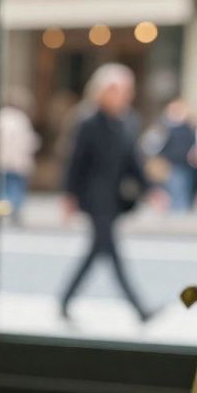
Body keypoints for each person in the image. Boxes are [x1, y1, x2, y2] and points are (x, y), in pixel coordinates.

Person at [59, 64, 153, 323]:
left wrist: (150, 190)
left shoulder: (127, 122)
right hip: (93, 196)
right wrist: (69, 196)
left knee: (97, 251)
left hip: (114, 197)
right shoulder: (88, 121)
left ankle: (64, 300)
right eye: (114, 89)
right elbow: (76, 161)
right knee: (110, 250)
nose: (120, 95)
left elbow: (133, 162)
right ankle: (140, 308)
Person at [0, 100, 40, 224]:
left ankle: (3, 209)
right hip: (17, 161)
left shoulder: (0, 117)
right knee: (15, 186)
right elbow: (29, 141)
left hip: (3, 160)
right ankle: (14, 210)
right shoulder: (21, 119)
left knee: (3, 186)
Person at [156, 99, 196, 213]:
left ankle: (182, 209)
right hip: (174, 164)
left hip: (188, 164)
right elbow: (160, 145)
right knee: (177, 188)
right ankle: (178, 211)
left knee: (185, 188)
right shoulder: (167, 128)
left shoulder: (188, 128)